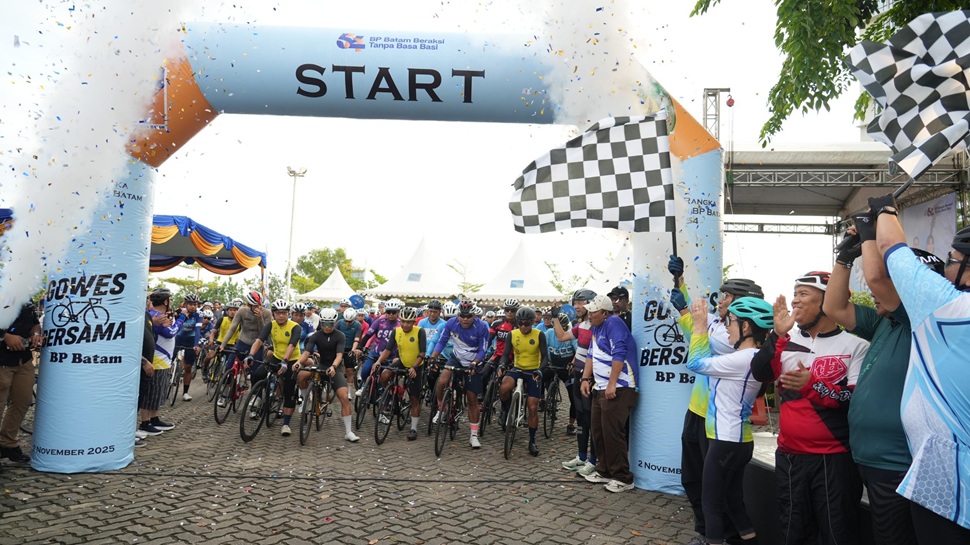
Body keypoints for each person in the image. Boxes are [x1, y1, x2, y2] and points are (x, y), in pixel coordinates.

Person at [823, 214, 945, 545]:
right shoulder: (884, 322)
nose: (874, 287)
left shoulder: (918, 319)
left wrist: (869, 234)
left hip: (899, 462)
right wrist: (845, 258)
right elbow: (834, 307)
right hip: (871, 459)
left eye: (890, 280)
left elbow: (877, 281)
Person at [869, 192, 970, 541]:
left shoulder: (944, 305)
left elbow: (890, 245)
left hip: (948, 484)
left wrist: (884, 209)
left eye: (953, 260)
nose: (947, 267)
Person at [750, 272, 869, 545]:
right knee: (793, 531)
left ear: (827, 302)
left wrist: (811, 385)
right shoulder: (786, 340)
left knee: (837, 532)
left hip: (834, 459)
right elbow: (760, 373)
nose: (795, 302)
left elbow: (852, 400)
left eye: (804, 295)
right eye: (794, 294)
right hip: (790, 457)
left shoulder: (857, 345)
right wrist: (776, 336)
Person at [669, 255, 766, 545]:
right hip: (697, 411)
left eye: (726, 296)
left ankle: (719, 535)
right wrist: (680, 282)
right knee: (693, 478)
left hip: (719, 425)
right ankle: (707, 532)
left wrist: (694, 316)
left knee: (717, 490)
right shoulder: (724, 327)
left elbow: (700, 333)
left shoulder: (730, 337)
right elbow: (694, 323)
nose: (720, 301)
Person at [686, 297, 773, 545]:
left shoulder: (743, 359)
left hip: (726, 441)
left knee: (711, 502)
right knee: (732, 502)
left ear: (746, 328)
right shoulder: (750, 357)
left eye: (730, 322)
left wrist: (701, 326)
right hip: (736, 441)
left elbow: (695, 363)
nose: (725, 327)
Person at [579, 294, 638, 493]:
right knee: (598, 430)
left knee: (613, 432)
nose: (589, 314)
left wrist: (612, 384)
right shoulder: (596, 328)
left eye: (593, 312)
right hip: (600, 387)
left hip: (620, 387)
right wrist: (585, 379)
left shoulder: (614, 323)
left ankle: (623, 477)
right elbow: (590, 355)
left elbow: (619, 354)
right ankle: (603, 470)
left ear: (604, 313)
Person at [430, 300, 490, 449]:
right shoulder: (451, 323)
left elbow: (483, 349)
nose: (464, 319)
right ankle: (441, 409)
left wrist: (475, 363)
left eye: (468, 316)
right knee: (442, 381)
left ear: (474, 315)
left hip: (473, 362)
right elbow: (442, 340)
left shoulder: (482, 327)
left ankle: (473, 435)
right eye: (462, 316)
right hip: (456, 358)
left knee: (471, 399)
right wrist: (433, 357)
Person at [294, 307, 358, 442]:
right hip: (321, 365)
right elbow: (306, 352)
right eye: (324, 324)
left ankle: (348, 432)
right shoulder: (316, 335)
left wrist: (334, 367)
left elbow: (339, 355)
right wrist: (299, 362)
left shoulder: (340, 335)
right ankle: (306, 401)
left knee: (344, 397)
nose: (327, 327)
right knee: (301, 376)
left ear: (334, 323)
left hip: (335, 368)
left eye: (330, 324)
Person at [554, 289, 599, 477]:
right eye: (575, 303)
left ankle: (593, 460)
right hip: (579, 374)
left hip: (593, 377)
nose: (576, 306)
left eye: (581, 302)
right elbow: (562, 337)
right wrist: (555, 317)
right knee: (581, 417)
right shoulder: (581, 325)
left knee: (592, 419)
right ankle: (581, 456)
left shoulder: (599, 326)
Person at [247, 299, 301, 437]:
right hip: (276, 356)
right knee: (257, 374)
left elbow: (291, 345)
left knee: (289, 390)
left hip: (291, 359)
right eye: (278, 313)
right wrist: (251, 355)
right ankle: (260, 397)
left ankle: (286, 424)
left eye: (284, 313)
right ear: (273, 314)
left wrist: (285, 361)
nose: (281, 316)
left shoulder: (295, 327)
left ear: (288, 313)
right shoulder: (270, 325)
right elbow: (259, 340)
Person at [499, 306, 548, 456]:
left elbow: (546, 357)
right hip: (517, 368)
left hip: (533, 371)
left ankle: (532, 441)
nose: (523, 327)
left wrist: (540, 370)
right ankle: (505, 409)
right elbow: (506, 354)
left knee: (532, 407)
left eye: (527, 324)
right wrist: (501, 364)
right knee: (504, 387)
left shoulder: (539, 334)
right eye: (520, 323)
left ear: (533, 322)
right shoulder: (512, 334)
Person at [373, 307, 426, 440]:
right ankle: (391, 395)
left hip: (416, 365)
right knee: (384, 375)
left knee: (414, 398)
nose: (405, 325)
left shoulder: (420, 331)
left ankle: (413, 429)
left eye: (408, 322)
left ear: (413, 322)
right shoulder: (396, 331)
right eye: (403, 321)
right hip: (402, 361)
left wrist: (414, 367)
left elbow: (422, 353)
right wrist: (379, 361)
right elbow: (388, 350)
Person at [0, 301, 42, 465]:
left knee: (22, 401)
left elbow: (34, 323)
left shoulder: (25, 296)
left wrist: (36, 334)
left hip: (22, 360)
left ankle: (7, 443)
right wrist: (6, 336)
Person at [145, 288, 181, 435]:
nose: (171, 303)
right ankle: (145, 422)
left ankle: (154, 418)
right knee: (151, 393)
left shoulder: (159, 315)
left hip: (164, 360)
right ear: (165, 301)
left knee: (158, 392)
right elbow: (169, 332)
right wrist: (181, 319)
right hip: (156, 359)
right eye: (170, 300)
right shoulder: (154, 315)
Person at [355, 298, 403, 394]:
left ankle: (386, 394)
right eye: (388, 312)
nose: (390, 314)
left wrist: (397, 357)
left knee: (385, 377)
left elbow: (400, 344)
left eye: (393, 312)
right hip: (375, 352)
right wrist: (359, 347)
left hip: (391, 356)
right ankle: (366, 386)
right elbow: (368, 335)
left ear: (398, 312)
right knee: (364, 371)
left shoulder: (400, 325)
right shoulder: (379, 321)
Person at [543, 310, 577, 436]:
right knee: (537, 378)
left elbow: (578, 351)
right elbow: (544, 350)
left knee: (574, 397)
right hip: (552, 366)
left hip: (566, 368)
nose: (559, 330)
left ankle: (571, 424)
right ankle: (540, 401)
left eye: (563, 327)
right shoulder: (549, 333)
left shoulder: (570, 334)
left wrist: (573, 363)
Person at [219, 290, 272, 365]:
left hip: (257, 344)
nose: (258, 308)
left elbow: (264, 333)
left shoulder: (267, 313)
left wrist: (260, 319)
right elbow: (232, 328)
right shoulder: (242, 311)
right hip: (243, 342)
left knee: (255, 373)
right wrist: (223, 345)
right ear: (249, 305)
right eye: (255, 306)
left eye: (260, 305)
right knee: (229, 365)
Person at [175, 293, 203, 402]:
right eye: (191, 304)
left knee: (188, 368)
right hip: (178, 338)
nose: (193, 306)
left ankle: (185, 392)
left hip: (190, 341)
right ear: (185, 304)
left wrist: (196, 344)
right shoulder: (179, 312)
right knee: (168, 362)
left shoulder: (199, 314)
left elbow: (197, 330)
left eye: (195, 304)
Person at [335, 307, 362, 400]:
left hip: (349, 348)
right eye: (346, 321)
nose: (347, 323)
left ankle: (349, 391)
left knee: (350, 371)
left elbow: (356, 339)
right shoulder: (339, 323)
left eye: (350, 322)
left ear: (354, 319)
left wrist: (353, 350)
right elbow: (334, 334)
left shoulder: (358, 325)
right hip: (338, 347)